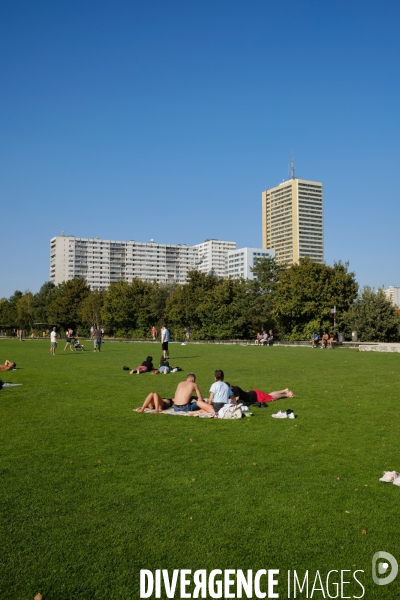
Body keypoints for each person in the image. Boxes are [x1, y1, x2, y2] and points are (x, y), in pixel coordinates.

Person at [230, 385, 295, 405]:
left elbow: (236, 399)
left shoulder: (235, 389)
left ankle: (286, 395)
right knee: (269, 395)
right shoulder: (234, 388)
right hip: (254, 394)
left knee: (271, 397)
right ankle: (284, 390)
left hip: (256, 396)